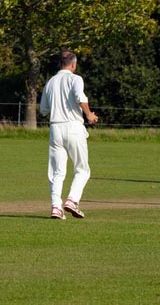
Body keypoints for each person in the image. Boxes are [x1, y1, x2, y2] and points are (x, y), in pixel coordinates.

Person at [39, 49, 99, 220]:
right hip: (73, 127)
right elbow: (80, 97)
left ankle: (56, 207)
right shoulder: (76, 78)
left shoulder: (50, 82)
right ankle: (72, 200)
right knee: (82, 169)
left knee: (57, 172)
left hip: (55, 128)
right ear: (73, 64)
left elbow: (43, 110)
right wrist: (89, 115)